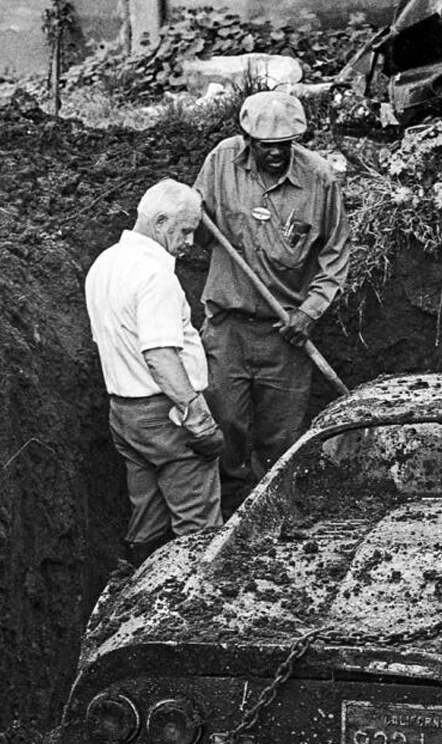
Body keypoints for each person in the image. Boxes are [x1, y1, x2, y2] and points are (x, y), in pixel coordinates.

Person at [194, 90, 351, 512]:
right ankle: (224, 515)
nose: (278, 153)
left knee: (279, 440)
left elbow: (336, 256)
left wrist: (309, 311)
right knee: (223, 428)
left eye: (286, 145)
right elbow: (198, 224)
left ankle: (270, 518)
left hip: (286, 336)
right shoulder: (221, 162)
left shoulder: (319, 180)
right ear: (248, 140)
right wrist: (197, 224)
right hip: (227, 329)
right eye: (268, 146)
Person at [86, 179, 224, 565]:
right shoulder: (155, 275)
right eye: (185, 230)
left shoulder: (105, 264)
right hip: (167, 415)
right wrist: (198, 419)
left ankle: (137, 589)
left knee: (147, 515)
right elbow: (160, 356)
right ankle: (197, 607)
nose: (190, 241)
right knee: (198, 528)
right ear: (160, 222)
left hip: (125, 414)